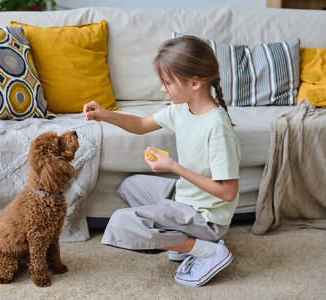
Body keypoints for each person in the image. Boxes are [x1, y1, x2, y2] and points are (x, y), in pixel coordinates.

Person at [83, 35, 241, 287]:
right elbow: (142, 124)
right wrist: (105, 115)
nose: (162, 89)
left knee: (122, 222)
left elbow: (229, 192)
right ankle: (180, 239)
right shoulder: (182, 108)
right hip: (186, 198)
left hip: (206, 218)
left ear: (194, 82)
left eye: (167, 82)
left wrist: (173, 167)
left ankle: (206, 250)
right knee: (130, 185)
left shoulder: (217, 127)